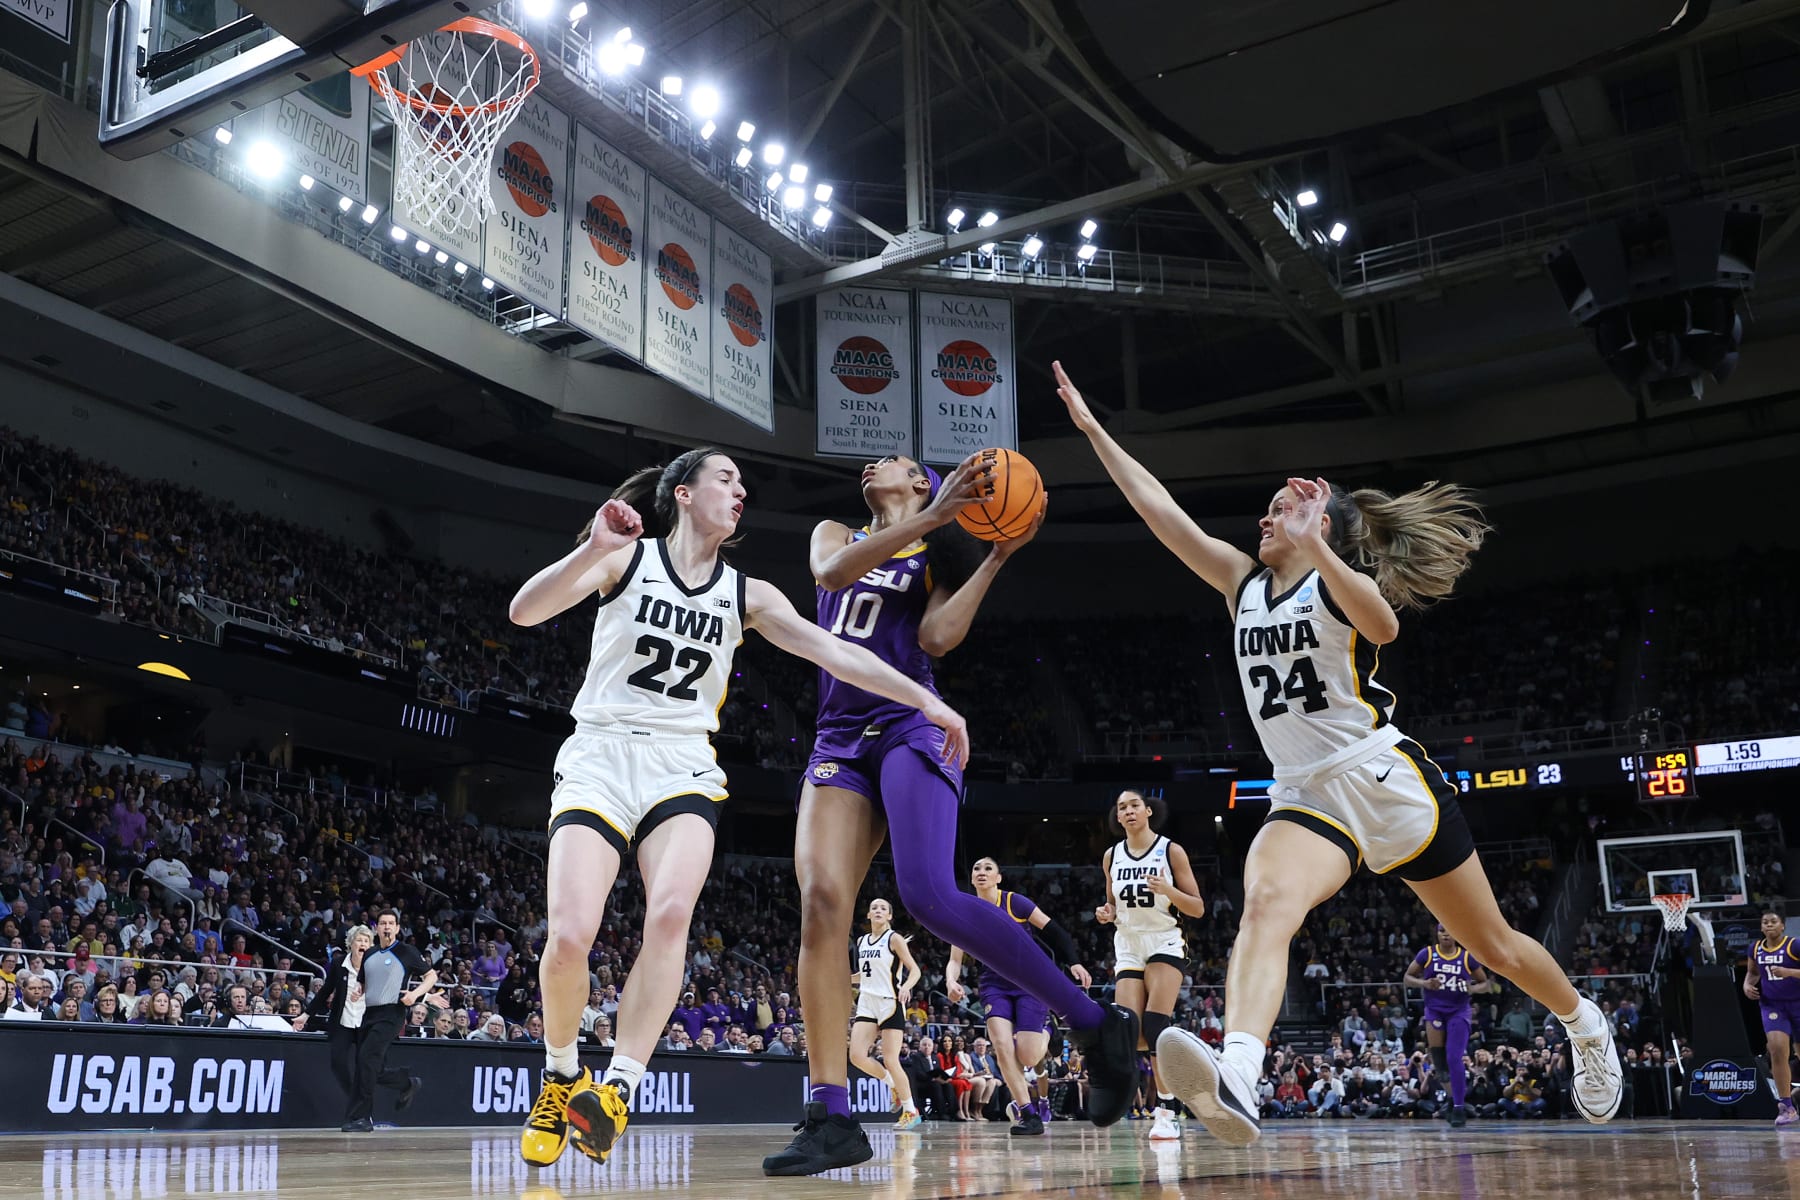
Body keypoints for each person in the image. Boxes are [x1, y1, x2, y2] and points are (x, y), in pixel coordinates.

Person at [1053, 360, 1623, 1147]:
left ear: (1319, 526)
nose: (1265, 519)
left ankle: (1585, 1025)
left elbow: (1384, 625)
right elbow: (1165, 515)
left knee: (1492, 943)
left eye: (1281, 509)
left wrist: (1317, 545)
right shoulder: (1240, 583)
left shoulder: (1336, 584)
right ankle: (1242, 1079)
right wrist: (1093, 432)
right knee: (1264, 905)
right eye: (1268, 510)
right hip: (1306, 795)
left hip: (1385, 779)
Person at [506, 448, 972, 1170]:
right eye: (726, 479)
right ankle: (562, 1073)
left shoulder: (747, 593)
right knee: (570, 938)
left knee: (669, 916)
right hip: (599, 754)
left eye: (741, 482)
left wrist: (927, 699)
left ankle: (618, 1088)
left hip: (683, 765)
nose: (741, 489)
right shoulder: (625, 559)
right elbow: (525, 610)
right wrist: (593, 548)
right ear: (684, 494)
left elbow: (837, 652)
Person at [766, 453, 1138, 1177]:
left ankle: (1095, 1025)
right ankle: (831, 1113)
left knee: (928, 895)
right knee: (820, 903)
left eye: (899, 461)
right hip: (838, 736)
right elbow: (830, 576)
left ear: (923, 486)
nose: (879, 462)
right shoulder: (834, 530)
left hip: (913, 724)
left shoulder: (934, 553)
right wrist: (937, 518)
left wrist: (993, 558)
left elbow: (935, 640)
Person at [945, 857, 1096, 1138]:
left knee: (1026, 1054)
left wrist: (1073, 962)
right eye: (976, 868)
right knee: (1001, 1045)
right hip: (993, 984)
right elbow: (955, 959)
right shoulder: (965, 911)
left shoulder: (1015, 902)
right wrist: (951, 980)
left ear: (999, 877)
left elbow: (1054, 931)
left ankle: (1049, 1031)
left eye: (988, 868)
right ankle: (1028, 1113)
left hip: (1029, 981)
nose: (981, 872)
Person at [1094, 788, 1205, 1141]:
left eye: (1134, 805)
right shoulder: (1111, 855)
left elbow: (1197, 908)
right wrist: (1106, 912)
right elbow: (1112, 903)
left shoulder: (1170, 850)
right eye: (1121, 807)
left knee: (1156, 1025)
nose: (1127, 811)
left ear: (1148, 812)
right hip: (1128, 943)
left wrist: (1168, 890)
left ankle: (1167, 1111)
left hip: (1164, 940)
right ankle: (1178, 1078)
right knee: (1132, 1031)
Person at [346, 910, 443, 1132]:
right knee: (369, 1066)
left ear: (397, 928)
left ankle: (363, 1118)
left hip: (392, 1013)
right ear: (376, 928)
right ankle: (406, 1083)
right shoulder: (369, 953)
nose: (387, 927)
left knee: (366, 1058)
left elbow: (432, 976)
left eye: (391, 923)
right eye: (382, 923)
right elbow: (364, 982)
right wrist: (358, 991)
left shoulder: (406, 951)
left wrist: (415, 994)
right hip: (369, 1014)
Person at [1403, 924, 1494, 1128]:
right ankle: (1454, 1100)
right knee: (1440, 1063)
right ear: (1437, 933)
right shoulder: (1426, 954)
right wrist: (1424, 984)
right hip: (1434, 1010)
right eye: (1442, 930)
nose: (1446, 934)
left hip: (1458, 1011)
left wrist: (1471, 988)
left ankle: (1459, 1107)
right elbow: (1407, 979)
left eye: (1450, 930)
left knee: (1454, 1057)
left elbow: (1485, 983)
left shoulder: (1466, 957)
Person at [846, 898, 924, 1131]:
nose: (878, 910)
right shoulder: (861, 941)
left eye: (883, 908)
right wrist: (844, 978)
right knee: (857, 1056)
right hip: (867, 1002)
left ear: (889, 916)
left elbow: (915, 970)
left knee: (890, 1058)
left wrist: (907, 986)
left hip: (890, 1002)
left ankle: (911, 1111)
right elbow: (866, 974)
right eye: (874, 907)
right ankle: (891, 1085)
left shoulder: (894, 939)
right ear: (868, 915)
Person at [308, 922, 370, 1132]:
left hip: (366, 1023)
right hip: (343, 1021)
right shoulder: (337, 964)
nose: (363, 944)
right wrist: (306, 1014)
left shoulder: (374, 966)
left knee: (366, 1068)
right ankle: (356, 1102)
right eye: (359, 940)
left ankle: (361, 1116)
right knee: (338, 1063)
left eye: (367, 941)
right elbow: (325, 991)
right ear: (351, 944)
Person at [1745, 909, 1800, 1126]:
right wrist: (1747, 984)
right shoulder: (1755, 948)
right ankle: (1786, 1105)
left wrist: (1790, 972)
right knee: (1777, 1050)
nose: (1768, 925)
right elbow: (1753, 972)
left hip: (1798, 1003)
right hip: (1772, 1005)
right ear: (1761, 927)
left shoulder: (1794, 945)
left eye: (1773, 921)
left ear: (1782, 926)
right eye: (1765, 922)